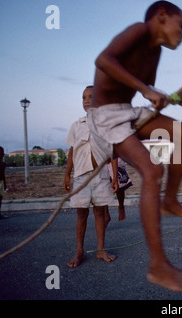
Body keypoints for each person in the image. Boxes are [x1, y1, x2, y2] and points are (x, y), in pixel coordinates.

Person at [86, 1, 182, 292]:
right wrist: (145, 90)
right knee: (152, 170)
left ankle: (170, 202)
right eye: (181, 26)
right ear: (162, 16)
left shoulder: (157, 52)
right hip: (106, 115)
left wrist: (171, 98)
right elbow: (103, 60)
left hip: (128, 111)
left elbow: (147, 92)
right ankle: (158, 265)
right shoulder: (139, 30)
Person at [64, 85, 118, 268]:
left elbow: (113, 153)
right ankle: (79, 251)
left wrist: (115, 178)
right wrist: (67, 175)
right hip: (81, 177)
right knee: (81, 214)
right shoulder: (76, 125)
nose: (87, 100)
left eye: (91, 96)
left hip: (101, 176)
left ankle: (101, 249)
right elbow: (72, 152)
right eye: (83, 97)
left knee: (100, 213)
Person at [108, 157, 133, 221]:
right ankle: (105, 214)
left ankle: (121, 206)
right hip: (101, 157)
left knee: (119, 186)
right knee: (102, 187)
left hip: (115, 156)